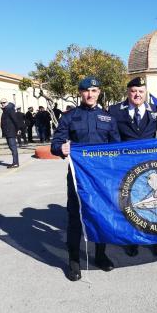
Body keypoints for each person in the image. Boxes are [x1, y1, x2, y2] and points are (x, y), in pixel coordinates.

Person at [51, 76, 120, 281]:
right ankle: (74, 260)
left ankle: (100, 254)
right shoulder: (70, 117)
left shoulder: (108, 118)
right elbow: (56, 142)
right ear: (80, 93)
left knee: (101, 215)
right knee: (75, 217)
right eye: (86, 91)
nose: (90, 95)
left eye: (94, 91)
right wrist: (60, 148)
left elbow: (116, 148)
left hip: (101, 178)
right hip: (77, 176)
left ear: (99, 92)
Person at [109, 76, 157, 258]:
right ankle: (132, 240)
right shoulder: (115, 110)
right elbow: (111, 137)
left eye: (141, 91)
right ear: (128, 92)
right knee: (130, 204)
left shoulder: (156, 110)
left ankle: (156, 240)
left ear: (145, 93)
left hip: (150, 166)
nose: (137, 94)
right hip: (126, 165)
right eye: (133, 91)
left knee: (154, 205)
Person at [0, 99, 21, 168]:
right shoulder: (6, 110)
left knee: (13, 147)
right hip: (8, 131)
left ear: (7, 103)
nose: (2, 104)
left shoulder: (10, 109)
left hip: (10, 131)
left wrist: (18, 129)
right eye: (1, 103)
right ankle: (15, 162)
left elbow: (15, 119)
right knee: (11, 147)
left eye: (4, 102)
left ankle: (15, 163)